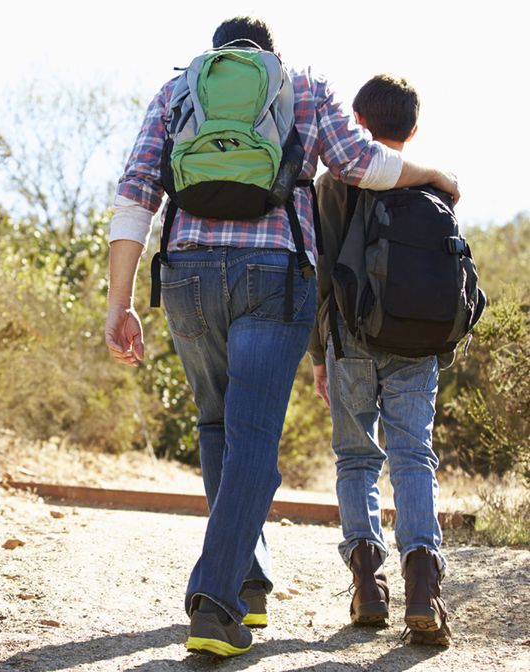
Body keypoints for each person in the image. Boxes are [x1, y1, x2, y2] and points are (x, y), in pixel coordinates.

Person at [105, 17, 460, 657]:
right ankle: (215, 603)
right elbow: (358, 164)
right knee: (253, 442)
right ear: (267, 56)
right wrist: (434, 175)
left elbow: (135, 194)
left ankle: (247, 583)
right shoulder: (299, 84)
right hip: (273, 275)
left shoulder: (178, 90)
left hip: (185, 275)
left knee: (216, 427)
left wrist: (119, 302)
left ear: (219, 57)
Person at [308, 74, 452, 646]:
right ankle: (424, 586)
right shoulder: (435, 186)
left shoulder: (335, 183)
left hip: (351, 340)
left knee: (355, 459)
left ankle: (368, 585)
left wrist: (319, 354)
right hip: (418, 345)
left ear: (358, 126)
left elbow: (320, 270)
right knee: (414, 456)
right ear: (413, 129)